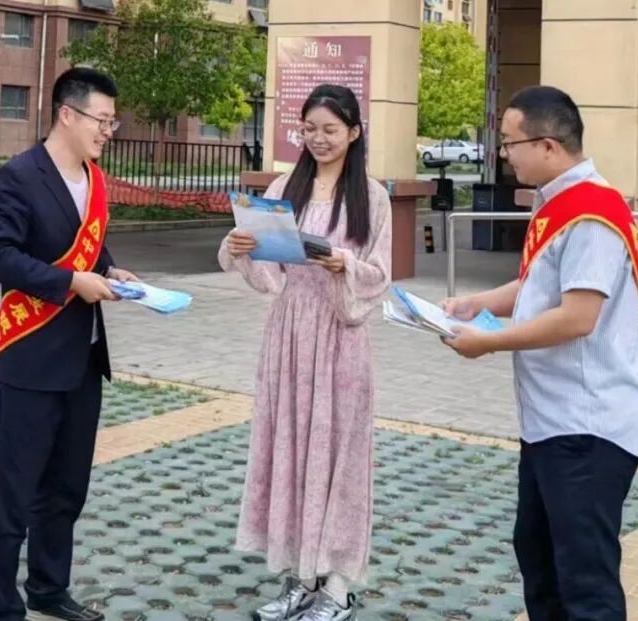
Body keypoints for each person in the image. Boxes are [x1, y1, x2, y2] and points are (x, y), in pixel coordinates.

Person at [440, 85, 638, 620]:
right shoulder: (558, 205)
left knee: (584, 582)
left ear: (549, 146)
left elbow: (577, 316)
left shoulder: (591, 214)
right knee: (540, 561)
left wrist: (489, 343)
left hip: (587, 427)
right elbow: (539, 286)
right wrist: (476, 304)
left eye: (511, 143)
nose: (504, 155)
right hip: (550, 424)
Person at [218, 83, 392, 621]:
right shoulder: (282, 187)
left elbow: (380, 275)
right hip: (289, 334)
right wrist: (239, 247)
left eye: (330, 130)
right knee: (289, 450)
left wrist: (345, 265)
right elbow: (269, 275)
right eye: (310, 129)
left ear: (354, 132)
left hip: (341, 339)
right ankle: (300, 576)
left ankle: (336, 588)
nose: (319, 139)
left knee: (339, 458)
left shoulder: (372, 197)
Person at [0, 67, 139, 621]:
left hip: (83, 361)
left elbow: (89, 248)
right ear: (67, 114)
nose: (107, 131)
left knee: (67, 488)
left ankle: (48, 588)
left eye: (112, 122)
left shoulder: (94, 179)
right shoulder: (20, 177)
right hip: (29, 359)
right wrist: (70, 282)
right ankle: (1, 605)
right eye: (102, 120)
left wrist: (111, 272)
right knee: (14, 491)